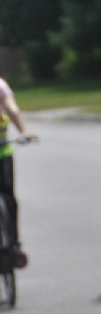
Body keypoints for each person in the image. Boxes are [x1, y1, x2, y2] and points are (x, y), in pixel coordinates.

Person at [0, 77, 37, 268]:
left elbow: (12, 109)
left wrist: (24, 130)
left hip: (1, 151)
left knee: (8, 195)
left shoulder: (0, 86)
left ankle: (14, 244)